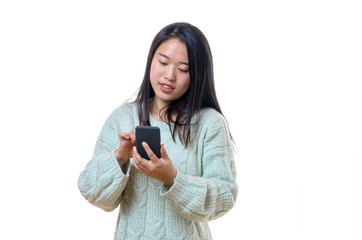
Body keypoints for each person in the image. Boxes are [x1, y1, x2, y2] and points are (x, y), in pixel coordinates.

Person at [78, 22, 238, 240]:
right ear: (150, 61)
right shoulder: (122, 118)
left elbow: (225, 197)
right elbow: (93, 193)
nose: (169, 75)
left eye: (183, 69)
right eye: (163, 62)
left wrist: (172, 178)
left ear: (198, 74)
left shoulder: (209, 123)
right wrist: (120, 157)